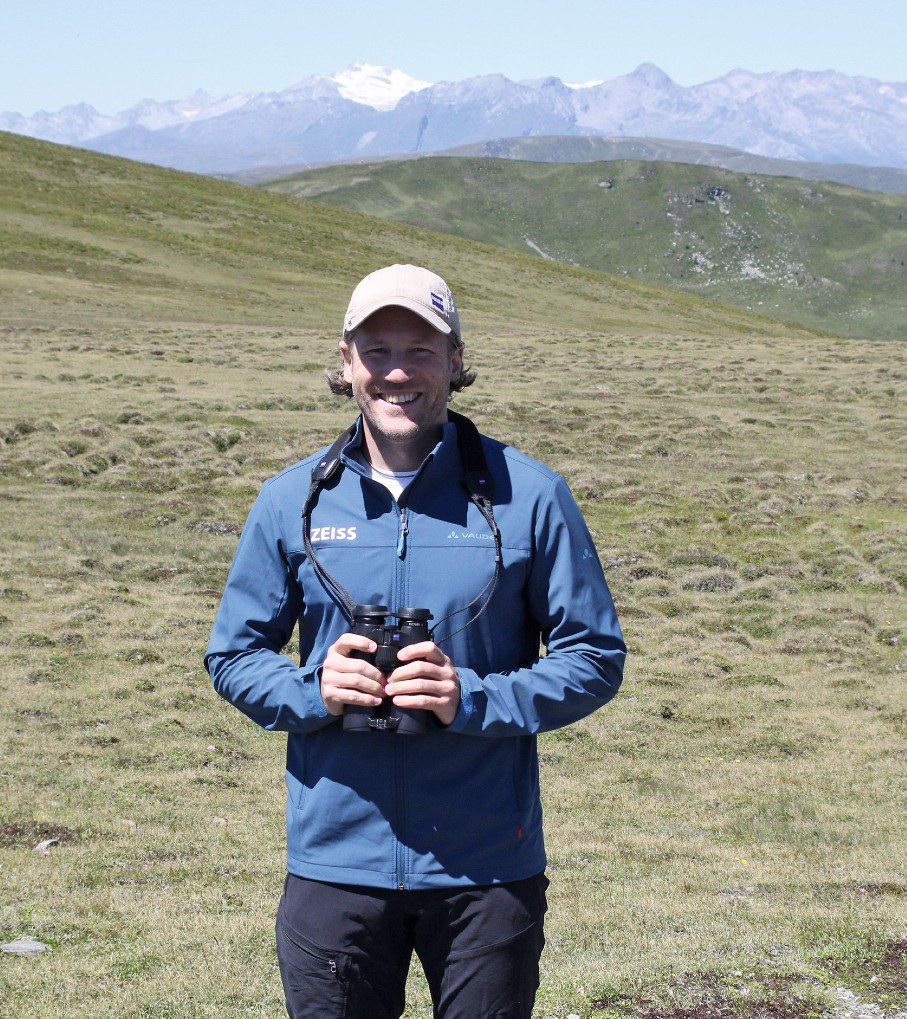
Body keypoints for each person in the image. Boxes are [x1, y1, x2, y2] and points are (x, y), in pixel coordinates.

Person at [205, 263, 626, 1018]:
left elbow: (594, 656)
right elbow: (233, 655)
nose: (398, 372)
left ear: (457, 361)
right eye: (377, 350)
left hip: (486, 867)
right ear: (346, 364)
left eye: (422, 350)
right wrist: (313, 689)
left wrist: (475, 697)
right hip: (337, 865)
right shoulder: (291, 500)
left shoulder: (528, 495)